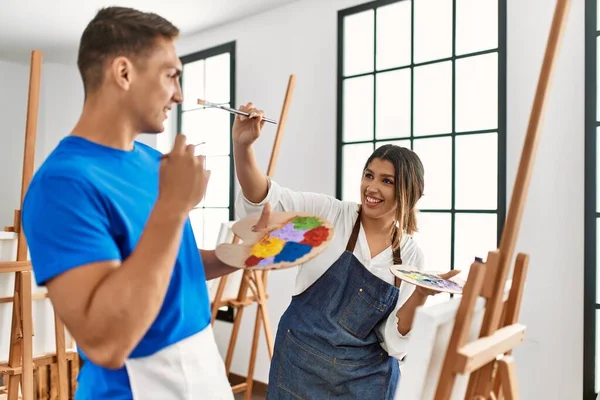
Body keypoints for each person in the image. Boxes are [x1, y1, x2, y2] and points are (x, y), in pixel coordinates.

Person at [21, 6, 245, 400]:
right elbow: (106, 341)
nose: (178, 94)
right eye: (171, 75)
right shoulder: (62, 184)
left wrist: (240, 255)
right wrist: (173, 207)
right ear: (123, 73)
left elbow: (171, 265)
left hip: (204, 372)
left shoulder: (153, 162)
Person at [231, 103, 460, 399]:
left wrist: (421, 294)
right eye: (369, 175)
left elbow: (392, 340)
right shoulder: (330, 215)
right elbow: (268, 200)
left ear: (409, 191)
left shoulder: (411, 256)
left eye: (386, 181)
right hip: (299, 369)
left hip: (364, 383)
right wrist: (243, 147)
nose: (371, 187)